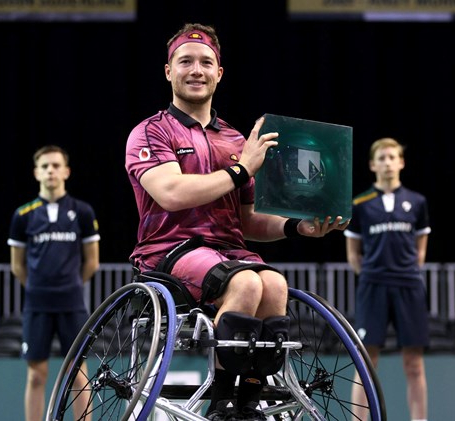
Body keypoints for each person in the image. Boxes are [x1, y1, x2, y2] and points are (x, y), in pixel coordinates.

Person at [124, 23, 347, 421]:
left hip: (228, 251)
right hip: (170, 251)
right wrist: (243, 169)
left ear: (219, 73)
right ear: (168, 71)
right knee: (245, 281)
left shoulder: (233, 139)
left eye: (206, 62)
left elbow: (248, 220)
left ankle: (250, 399)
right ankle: (223, 401)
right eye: (185, 61)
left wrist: (297, 227)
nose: (196, 70)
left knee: (275, 283)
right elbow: (171, 192)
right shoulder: (150, 132)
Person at [8, 145, 100, 421]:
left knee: (78, 371)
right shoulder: (23, 215)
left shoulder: (82, 212)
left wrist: (69, 285)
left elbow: (92, 262)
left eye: (56, 165)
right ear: (36, 173)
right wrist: (39, 287)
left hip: (72, 303)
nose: (51, 170)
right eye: (45, 166)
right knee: (37, 374)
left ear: (66, 171)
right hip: (36, 304)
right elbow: (17, 265)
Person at [344, 137, 431, 421]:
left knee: (414, 364)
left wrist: (405, 272)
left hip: (408, 286)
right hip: (373, 286)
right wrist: (372, 275)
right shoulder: (360, 204)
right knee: (366, 362)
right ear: (372, 164)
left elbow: (420, 251)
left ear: (401, 162)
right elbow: (353, 255)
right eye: (381, 158)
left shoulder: (417, 202)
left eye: (392, 157)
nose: (387, 162)